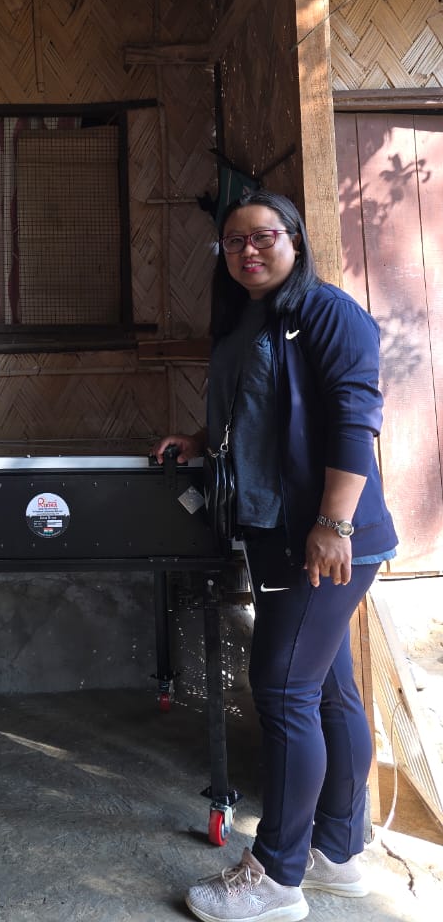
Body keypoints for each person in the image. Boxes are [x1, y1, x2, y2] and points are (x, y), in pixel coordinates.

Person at [154, 188, 397, 922]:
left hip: (321, 537)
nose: (248, 251)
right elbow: (254, 412)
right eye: (234, 242)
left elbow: (355, 421)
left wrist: (334, 523)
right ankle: (337, 856)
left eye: (264, 237)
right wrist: (200, 440)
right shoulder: (247, 319)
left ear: (295, 239)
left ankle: (277, 876)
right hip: (275, 531)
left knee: (285, 691)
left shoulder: (327, 312)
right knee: (328, 690)